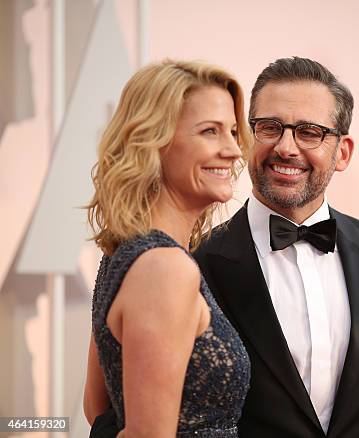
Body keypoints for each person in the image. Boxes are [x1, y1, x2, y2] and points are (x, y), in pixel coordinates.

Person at [91, 56, 359, 438]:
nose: (286, 147)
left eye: (309, 132)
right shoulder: (191, 262)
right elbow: (113, 411)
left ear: (343, 152)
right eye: (269, 128)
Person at [83, 59, 251, 437]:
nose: (233, 150)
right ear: (154, 143)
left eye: (233, 132)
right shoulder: (166, 269)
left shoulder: (124, 254)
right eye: (210, 131)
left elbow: (99, 408)